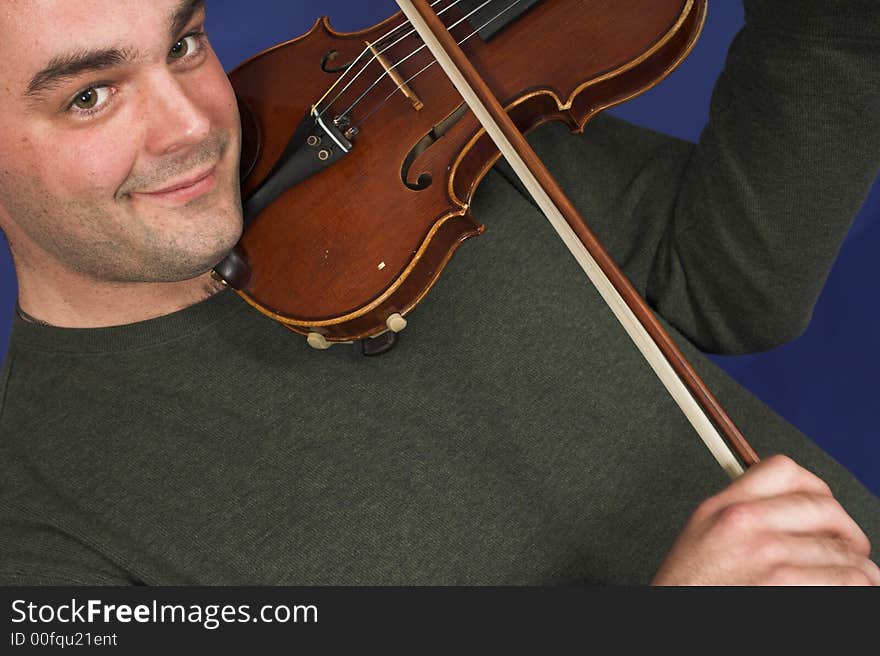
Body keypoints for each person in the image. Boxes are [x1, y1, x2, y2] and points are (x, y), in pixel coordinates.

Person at [0, 0, 878, 586]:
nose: (197, 126)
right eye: (90, 96)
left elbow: (729, 284)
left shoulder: (406, 142)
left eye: (184, 44)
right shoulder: (42, 530)